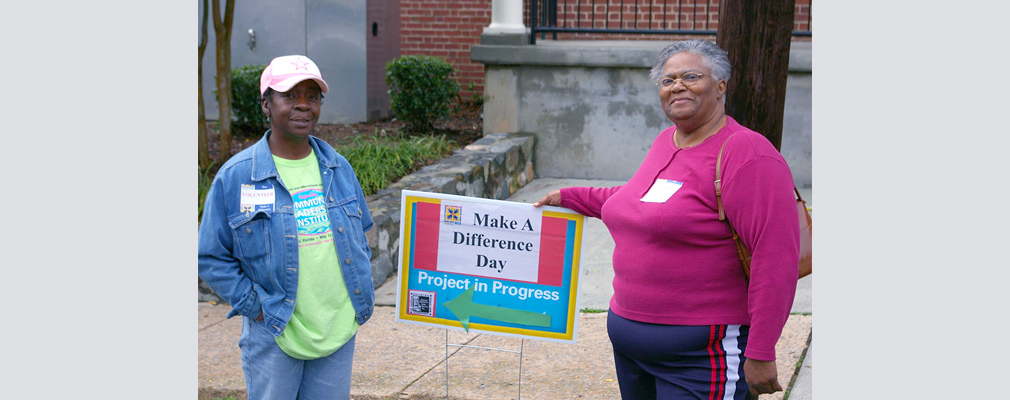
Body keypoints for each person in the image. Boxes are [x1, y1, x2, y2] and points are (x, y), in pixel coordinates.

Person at [533, 40, 799, 399]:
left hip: (700, 357)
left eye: (691, 76)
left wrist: (762, 351)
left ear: (721, 85)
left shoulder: (746, 155)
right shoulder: (667, 141)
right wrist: (570, 196)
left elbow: (776, 257)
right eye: (667, 79)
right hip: (631, 350)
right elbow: (637, 202)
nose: (677, 86)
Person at [198, 55, 375, 400]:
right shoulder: (238, 177)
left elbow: (360, 238)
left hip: (336, 328)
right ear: (266, 104)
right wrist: (256, 306)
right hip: (276, 329)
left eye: (312, 96)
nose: (303, 106)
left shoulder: (338, 169)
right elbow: (210, 256)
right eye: (290, 95)